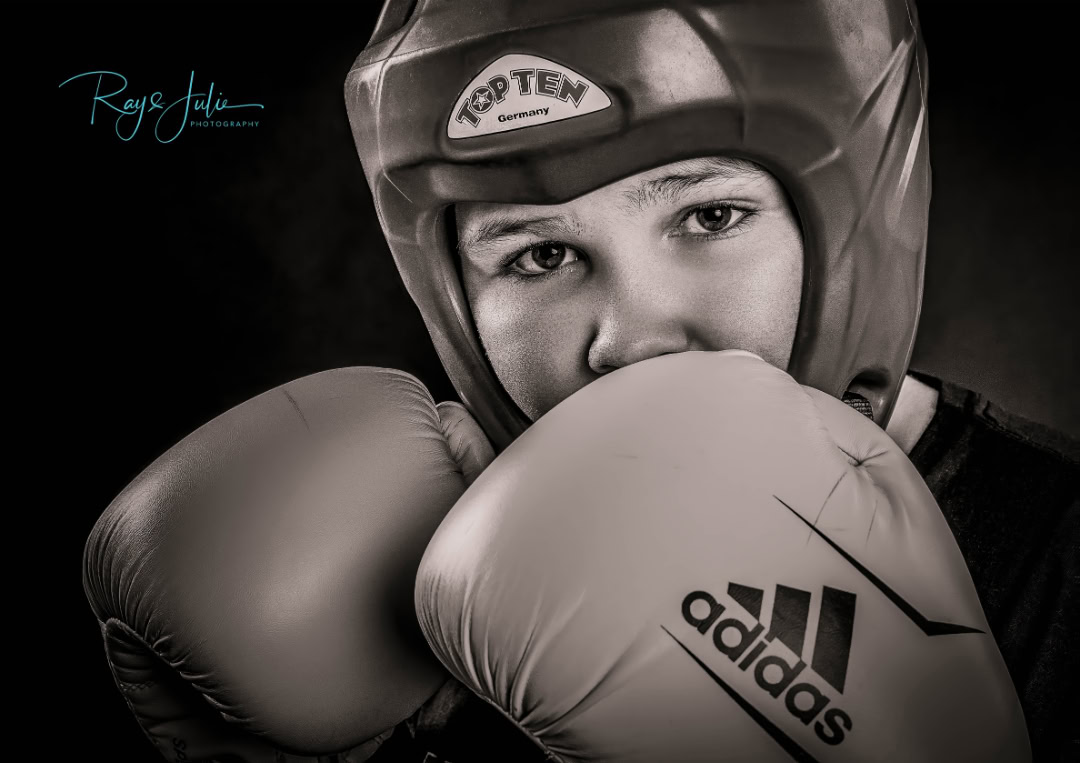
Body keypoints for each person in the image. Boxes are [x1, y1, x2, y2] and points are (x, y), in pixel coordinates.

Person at [343, 0, 1077, 760]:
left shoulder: (1060, 566)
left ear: (852, 219)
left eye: (712, 216)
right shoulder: (420, 593)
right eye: (541, 257)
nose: (630, 340)